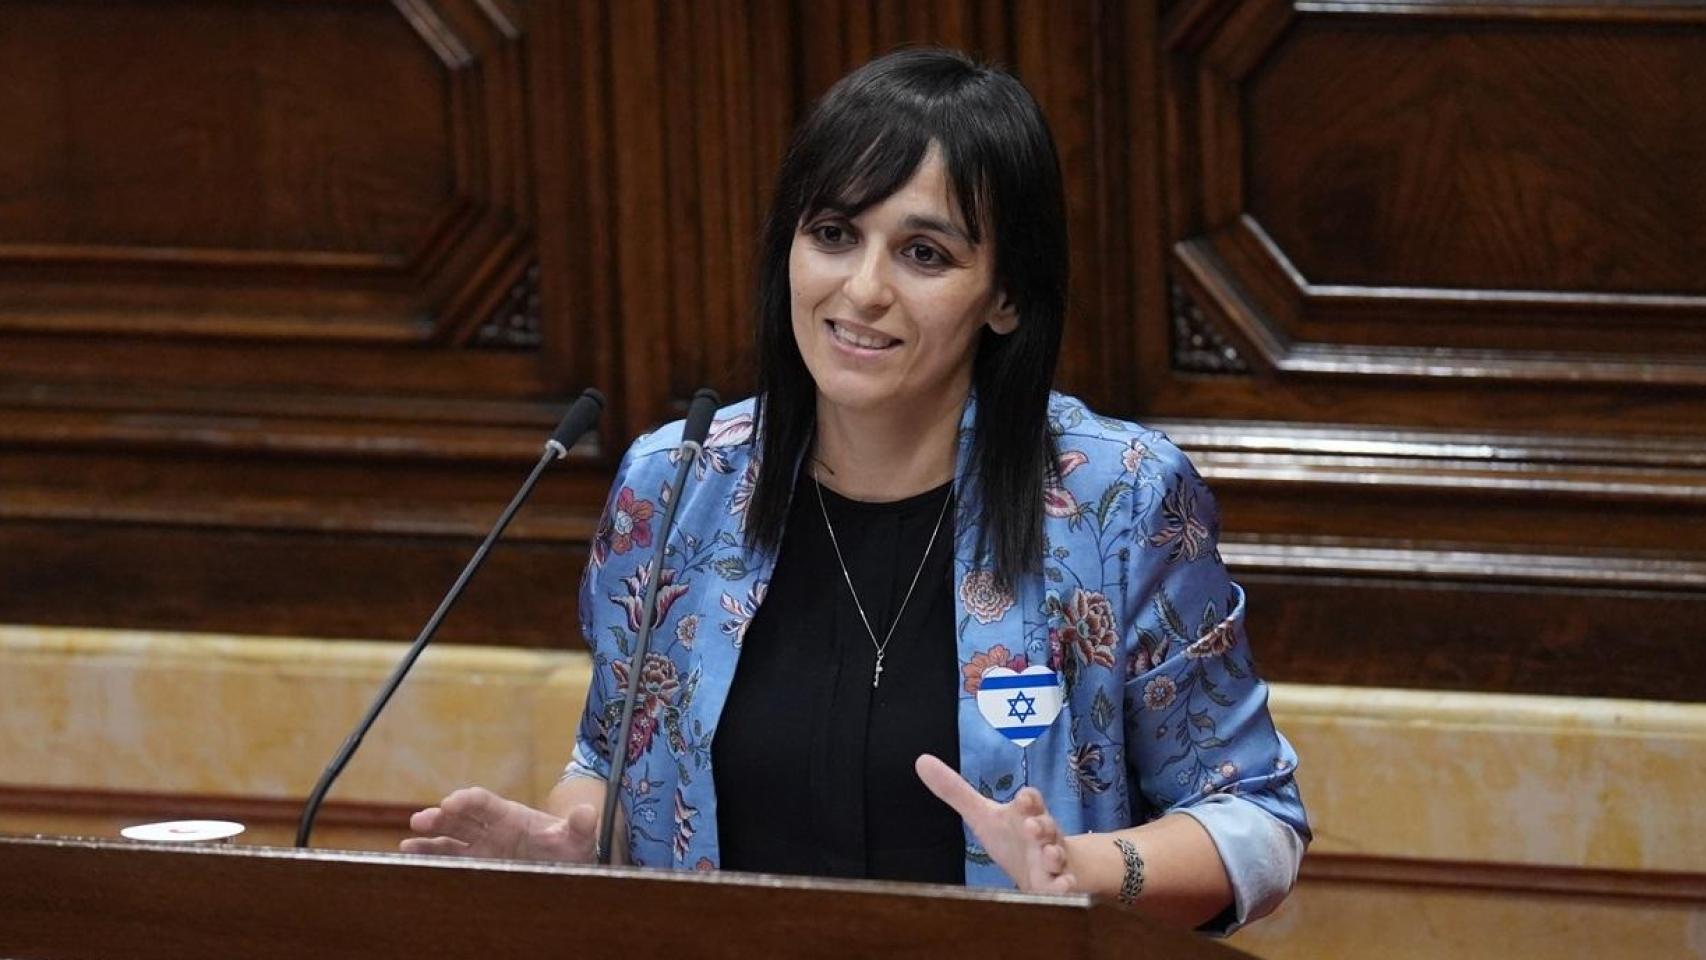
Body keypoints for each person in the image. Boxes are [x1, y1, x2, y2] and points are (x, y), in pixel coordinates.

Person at [404, 46, 1309, 934]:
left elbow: (1256, 821)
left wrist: (1086, 871)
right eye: (834, 235)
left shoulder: (1119, 500)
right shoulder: (674, 487)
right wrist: (577, 842)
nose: (863, 289)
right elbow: (610, 755)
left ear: (1006, 297)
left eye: (924, 253)